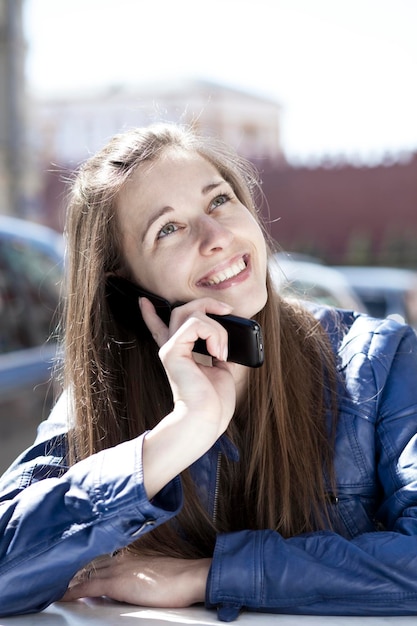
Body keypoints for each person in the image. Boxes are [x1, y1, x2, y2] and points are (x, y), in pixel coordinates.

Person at [1, 122, 417, 621]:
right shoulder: (102, 397)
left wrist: (205, 575)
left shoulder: (379, 361)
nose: (217, 237)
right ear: (125, 288)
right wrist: (184, 430)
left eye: (218, 201)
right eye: (168, 229)